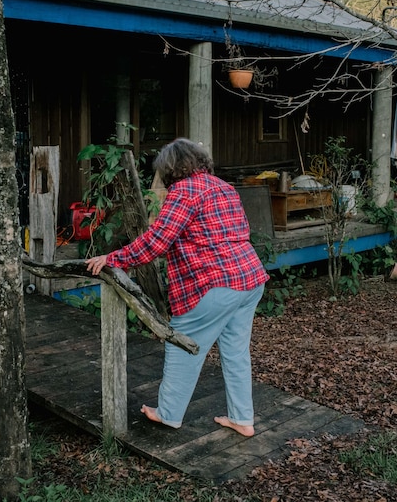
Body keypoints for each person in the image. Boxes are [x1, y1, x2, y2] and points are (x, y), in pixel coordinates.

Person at [86, 138, 268, 437]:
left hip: (214, 283)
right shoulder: (223, 186)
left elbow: (157, 242)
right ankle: (242, 418)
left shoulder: (184, 191)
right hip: (249, 278)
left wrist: (113, 257)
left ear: (170, 168)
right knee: (236, 353)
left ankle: (168, 414)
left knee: (182, 346)